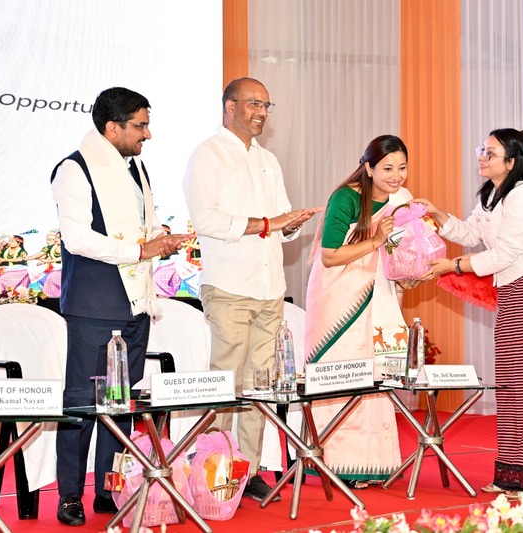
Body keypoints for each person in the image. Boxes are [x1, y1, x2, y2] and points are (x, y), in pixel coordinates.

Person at [50, 87, 190, 526]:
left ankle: (110, 490)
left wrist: (162, 239)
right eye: (140, 126)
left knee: (120, 406)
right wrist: (141, 251)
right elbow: (77, 238)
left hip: (135, 304)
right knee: (81, 405)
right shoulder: (74, 169)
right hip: (93, 305)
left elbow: (141, 227)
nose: (147, 134)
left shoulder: (136, 168)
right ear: (112, 127)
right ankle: (70, 495)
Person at [416, 128, 523, 494]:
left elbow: (505, 253)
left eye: (490, 152)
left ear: (512, 161)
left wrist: (454, 266)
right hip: (514, 289)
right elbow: (469, 233)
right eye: (482, 149)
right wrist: (437, 213)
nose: (482, 156)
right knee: (512, 384)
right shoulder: (492, 193)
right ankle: (515, 475)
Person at [183, 77, 321, 502]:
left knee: (260, 384)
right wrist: (267, 224)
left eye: (266, 105)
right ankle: (213, 469)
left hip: (269, 286)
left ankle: (249, 469)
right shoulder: (208, 154)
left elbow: (279, 221)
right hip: (229, 285)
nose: (261, 112)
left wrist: (290, 224)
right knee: (225, 383)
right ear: (230, 106)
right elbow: (206, 220)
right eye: (254, 104)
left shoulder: (268, 159)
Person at [304, 135, 409, 489]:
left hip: (379, 299)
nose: (396, 176)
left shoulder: (401, 202)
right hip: (339, 301)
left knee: (374, 377)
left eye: (402, 168)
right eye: (387, 168)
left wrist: (410, 272)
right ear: (369, 167)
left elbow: (398, 253)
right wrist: (376, 241)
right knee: (342, 378)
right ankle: (336, 463)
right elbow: (330, 255)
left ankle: (371, 463)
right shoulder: (346, 197)